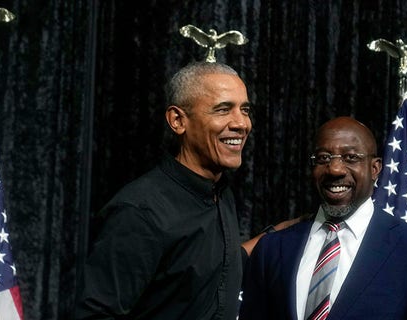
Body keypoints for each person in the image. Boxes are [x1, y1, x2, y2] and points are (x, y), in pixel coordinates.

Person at [74, 61, 297, 319]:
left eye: (244, 110)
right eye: (223, 109)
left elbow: (212, 265)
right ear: (178, 120)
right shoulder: (139, 212)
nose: (241, 123)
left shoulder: (219, 192)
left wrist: (279, 234)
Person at [239, 116, 407, 319]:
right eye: (323, 158)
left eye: (350, 157)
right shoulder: (272, 249)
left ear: (375, 168)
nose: (334, 169)